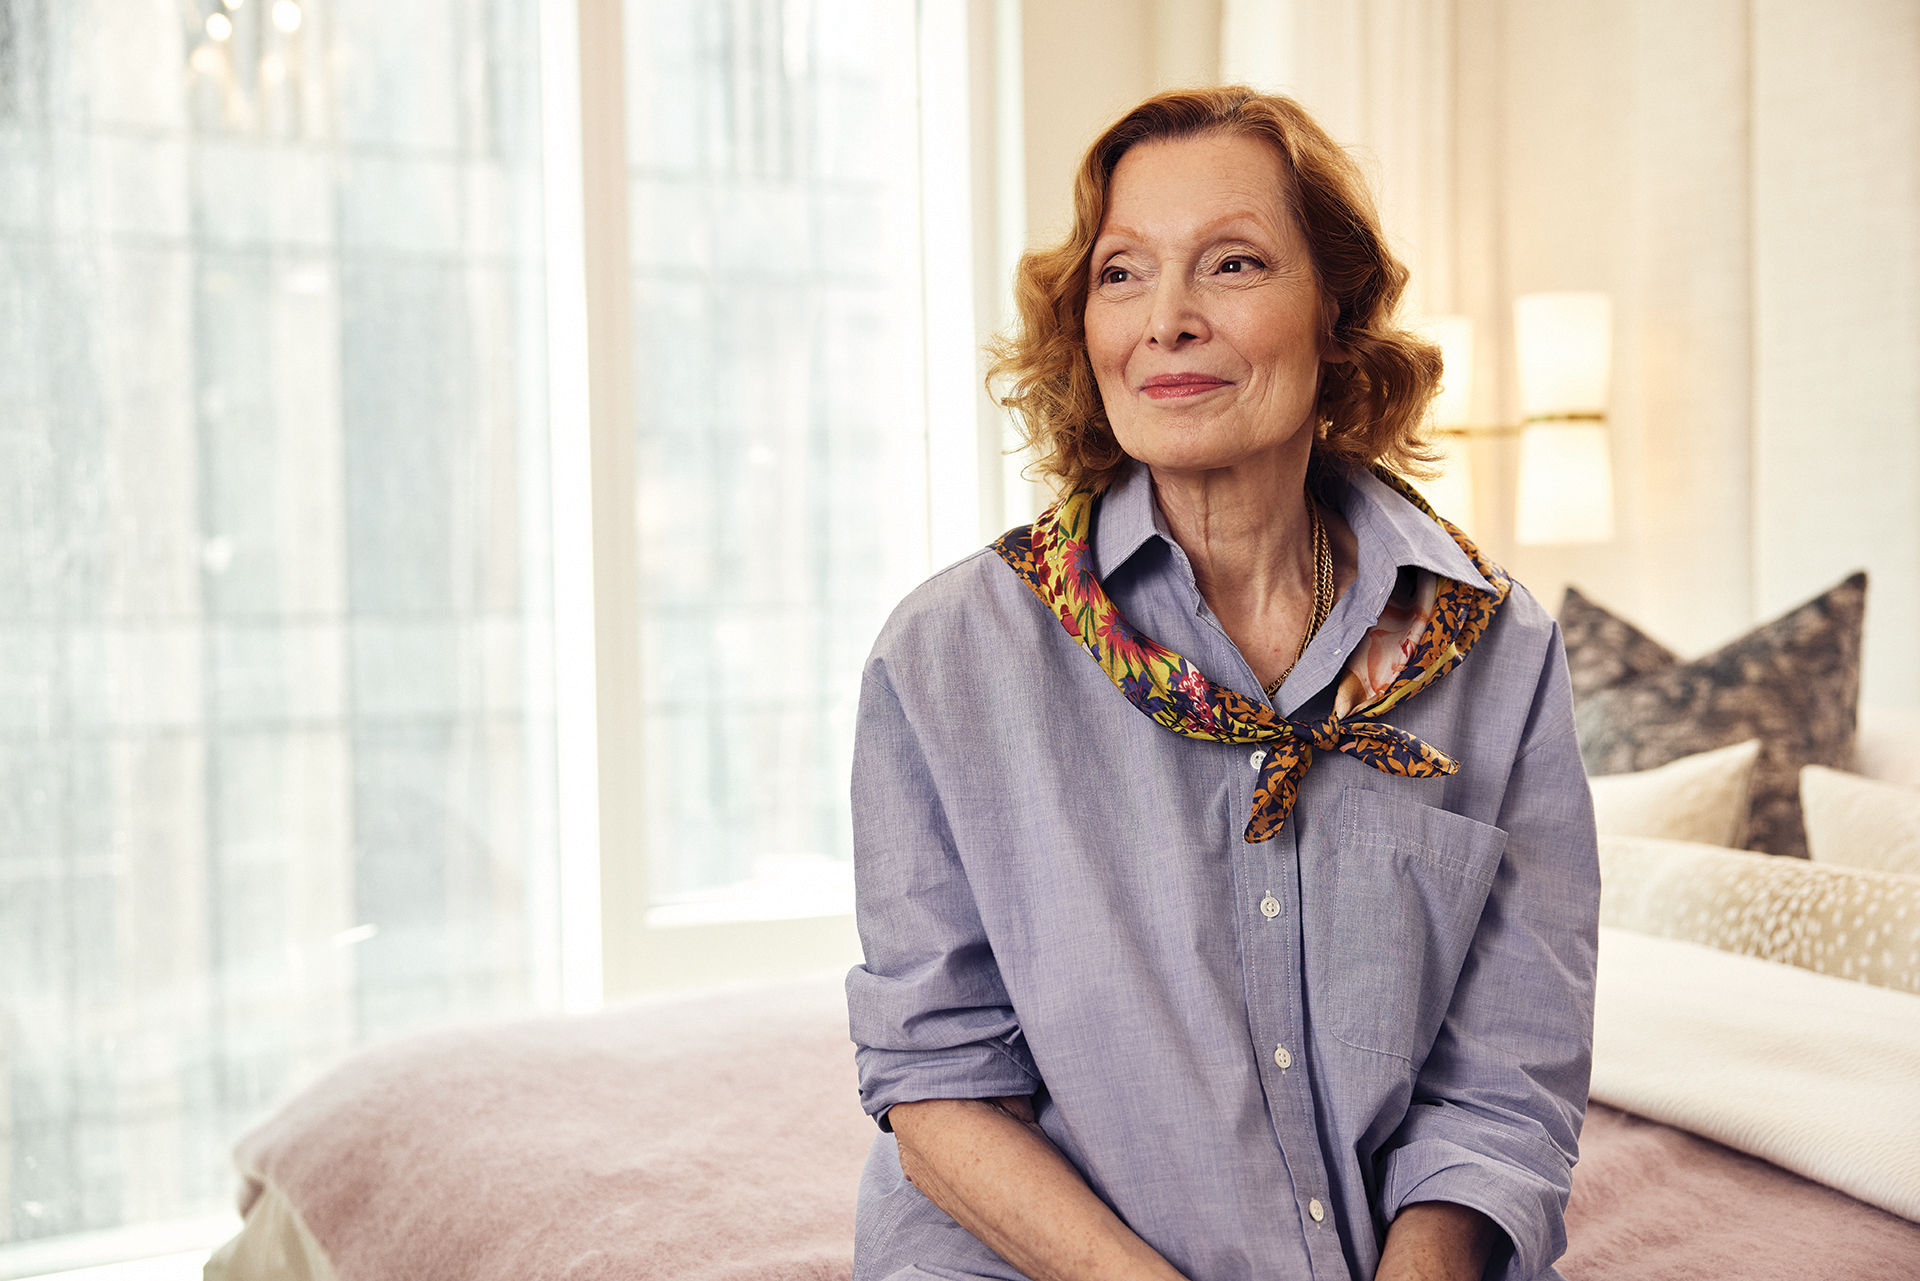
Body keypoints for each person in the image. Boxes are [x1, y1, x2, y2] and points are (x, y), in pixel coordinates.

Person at [844, 86, 1599, 1281]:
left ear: (1335, 315)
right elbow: (938, 1088)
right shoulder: (946, 657)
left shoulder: (1494, 652)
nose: (1168, 321)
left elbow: (1504, 1074)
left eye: (1233, 264)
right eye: (1123, 274)